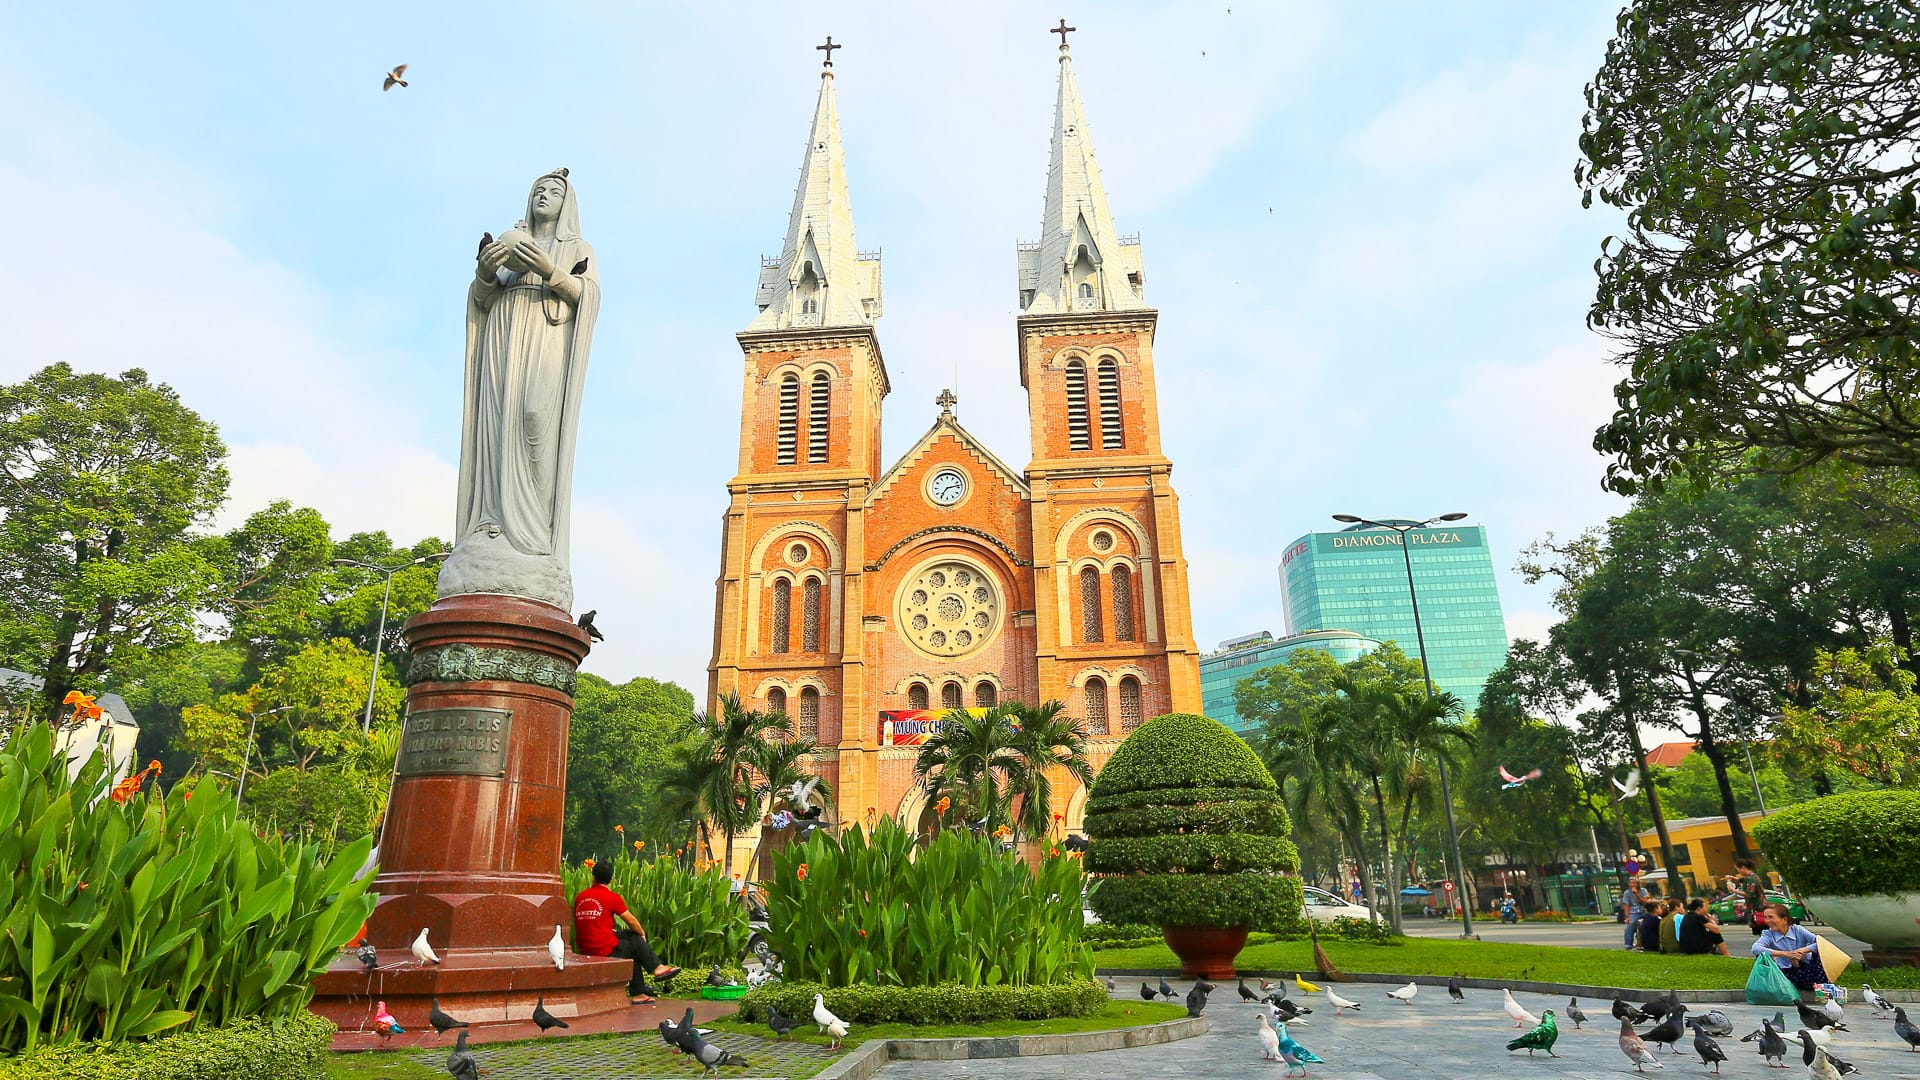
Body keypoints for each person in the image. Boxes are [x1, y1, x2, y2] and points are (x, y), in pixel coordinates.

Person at [573, 861, 680, 1004]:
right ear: (611, 879)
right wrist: (642, 936)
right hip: (602, 949)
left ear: (593, 877)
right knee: (634, 943)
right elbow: (631, 921)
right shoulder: (611, 897)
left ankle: (643, 988)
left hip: (586, 946)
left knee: (630, 936)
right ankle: (655, 970)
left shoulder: (580, 897)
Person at [1752, 902, 1828, 990]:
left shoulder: (1798, 930)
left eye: (1771, 917)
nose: (1767, 921)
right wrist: (1786, 954)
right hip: (1784, 971)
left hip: (1804, 967)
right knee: (1760, 955)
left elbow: (1821, 943)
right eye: (1765, 917)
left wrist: (1802, 951)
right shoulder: (1768, 934)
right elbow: (1755, 948)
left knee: (1819, 953)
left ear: (1784, 920)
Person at [1728, 857, 1767, 935]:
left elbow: (1749, 894)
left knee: (1762, 932)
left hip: (1757, 908)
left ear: (1743, 867)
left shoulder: (1751, 879)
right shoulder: (1752, 876)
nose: (1738, 872)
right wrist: (1733, 878)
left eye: (1738, 869)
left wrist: (1733, 890)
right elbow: (1743, 880)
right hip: (1757, 907)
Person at [1623, 878, 1651, 949]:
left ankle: (1644, 943)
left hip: (1644, 910)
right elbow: (1626, 905)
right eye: (1631, 883)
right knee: (1630, 927)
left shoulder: (1643, 891)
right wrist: (1627, 917)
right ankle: (1628, 945)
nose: (1632, 885)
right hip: (1633, 912)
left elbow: (1645, 902)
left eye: (1634, 883)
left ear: (1638, 884)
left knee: (1646, 926)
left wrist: (1636, 894)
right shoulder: (1627, 892)